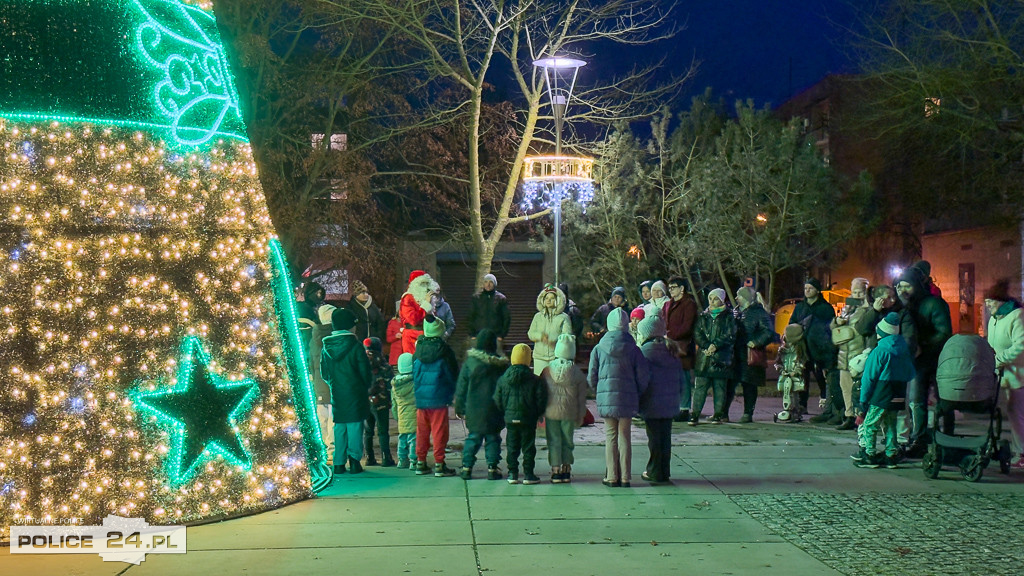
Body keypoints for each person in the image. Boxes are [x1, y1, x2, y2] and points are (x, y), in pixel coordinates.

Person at [588, 307, 649, 487]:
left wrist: (599, 390)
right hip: (628, 398)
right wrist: (636, 392)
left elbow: (592, 375)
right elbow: (643, 376)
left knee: (610, 437)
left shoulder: (599, 348)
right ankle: (625, 477)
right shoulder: (634, 349)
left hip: (607, 398)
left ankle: (612, 476)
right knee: (625, 436)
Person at [896, 266, 952, 457]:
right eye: (900, 286)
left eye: (907, 286)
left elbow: (944, 332)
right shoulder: (905, 306)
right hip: (917, 362)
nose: (903, 290)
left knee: (943, 401)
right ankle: (919, 438)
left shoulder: (934, 304)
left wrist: (924, 345)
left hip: (936, 360)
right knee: (916, 400)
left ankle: (946, 437)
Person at [852, 312, 915, 469]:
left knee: (870, 424)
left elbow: (869, 378)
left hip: (881, 394)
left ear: (882, 332)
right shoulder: (904, 350)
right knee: (890, 425)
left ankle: (870, 455)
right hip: (898, 393)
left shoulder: (879, 351)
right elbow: (911, 373)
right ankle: (891, 455)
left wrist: (863, 401)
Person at [320, 308, 372, 475]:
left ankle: (338, 463)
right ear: (350, 326)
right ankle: (355, 461)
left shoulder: (326, 347)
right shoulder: (356, 346)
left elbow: (324, 373)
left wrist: (335, 384)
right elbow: (365, 372)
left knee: (339, 427)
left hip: (337, 392)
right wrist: (366, 386)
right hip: (356, 393)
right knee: (355, 426)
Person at [454, 329, 509, 480]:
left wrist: (459, 407)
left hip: (474, 409)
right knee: (493, 438)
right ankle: (492, 468)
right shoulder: (502, 365)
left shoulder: (469, 363)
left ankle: (467, 467)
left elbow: (461, 388)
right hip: (495, 409)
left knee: (473, 438)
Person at [493, 344, 548, 485]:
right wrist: (537, 413)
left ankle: (512, 473)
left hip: (510, 419)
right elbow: (541, 400)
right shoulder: (536, 380)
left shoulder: (503, 379)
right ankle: (528, 474)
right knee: (528, 447)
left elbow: (498, 400)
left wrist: (505, 412)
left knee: (512, 446)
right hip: (528, 419)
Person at [983, 279, 1024, 468]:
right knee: (1007, 412)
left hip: (1018, 374)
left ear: (1000, 302)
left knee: (1017, 414)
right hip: (1001, 374)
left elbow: (1021, 346)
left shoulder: (1017, 316)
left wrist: (1000, 359)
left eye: (990, 302)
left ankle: (1021, 452)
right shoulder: (994, 319)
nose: (987, 305)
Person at [412, 315, 459, 477]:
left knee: (422, 431)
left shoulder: (418, 350)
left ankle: (421, 462)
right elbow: (452, 374)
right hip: (439, 397)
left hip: (421, 398)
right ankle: (439, 464)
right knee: (439, 431)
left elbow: (414, 373)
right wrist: (453, 393)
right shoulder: (445, 351)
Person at [637, 316, 681, 483]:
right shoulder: (671, 349)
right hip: (670, 402)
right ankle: (664, 471)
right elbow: (680, 378)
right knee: (665, 438)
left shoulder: (644, 351)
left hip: (652, 402)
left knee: (654, 439)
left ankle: (654, 471)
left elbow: (642, 378)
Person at [790, 278, 841, 424]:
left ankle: (826, 405)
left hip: (820, 349)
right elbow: (792, 322)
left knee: (822, 378)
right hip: (803, 348)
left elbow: (830, 328)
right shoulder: (800, 307)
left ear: (817, 290)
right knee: (802, 376)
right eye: (805, 288)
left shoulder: (825, 308)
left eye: (810, 288)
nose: (807, 291)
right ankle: (802, 404)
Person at [541, 334, 588, 484]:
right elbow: (581, 398)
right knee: (568, 440)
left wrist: (540, 412)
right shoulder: (578, 374)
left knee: (553, 440)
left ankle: (555, 470)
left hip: (551, 412)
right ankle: (566, 469)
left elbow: (541, 393)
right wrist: (580, 415)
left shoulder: (547, 370)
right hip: (569, 412)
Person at [690, 288, 737, 425]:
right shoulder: (703, 316)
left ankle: (718, 414)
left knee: (720, 388)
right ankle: (695, 414)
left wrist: (715, 345)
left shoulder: (729, 316)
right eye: (710, 298)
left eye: (715, 298)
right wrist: (706, 345)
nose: (712, 301)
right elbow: (697, 333)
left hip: (720, 357)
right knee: (700, 388)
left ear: (722, 300)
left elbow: (730, 334)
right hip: (704, 357)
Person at [727, 286, 774, 423]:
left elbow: (768, 332)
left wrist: (756, 341)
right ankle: (723, 412)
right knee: (729, 385)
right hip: (735, 354)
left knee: (749, 386)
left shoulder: (759, 313)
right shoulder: (735, 312)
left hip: (749, 355)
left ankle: (748, 413)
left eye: (739, 296)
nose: (736, 298)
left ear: (746, 298)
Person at [831, 278, 873, 430]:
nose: (857, 295)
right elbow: (833, 327)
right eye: (854, 292)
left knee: (859, 388)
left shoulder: (868, 310)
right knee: (845, 386)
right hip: (844, 353)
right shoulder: (847, 308)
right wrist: (837, 321)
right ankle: (849, 416)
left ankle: (860, 416)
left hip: (858, 353)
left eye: (860, 292)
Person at [664, 276, 698, 422]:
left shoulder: (688, 304)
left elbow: (688, 325)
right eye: (669, 288)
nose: (670, 290)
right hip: (669, 346)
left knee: (683, 378)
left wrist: (670, 334)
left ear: (682, 288)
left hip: (682, 346)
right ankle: (674, 407)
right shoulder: (668, 304)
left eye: (673, 287)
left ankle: (684, 408)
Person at [362, 337, 395, 467]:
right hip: (381, 402)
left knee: (368, 431)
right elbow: (389, 384)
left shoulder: (361, 362)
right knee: (383, 431)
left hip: (365, 402)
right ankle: (386, 457)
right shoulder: (383, 364)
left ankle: (369, 457)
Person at [527, 284, 572, 374]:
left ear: (557, 300)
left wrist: (554, 340)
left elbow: (567, 336)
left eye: (552, 298)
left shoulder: (564, 318)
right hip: (539, 357)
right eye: (546, 298)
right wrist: (540, 336)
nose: (548, 300)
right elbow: (531, 333)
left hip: (556, 358)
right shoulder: (537, 316)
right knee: (540, 383)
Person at [311, 304, 336, 463]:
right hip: (333, 384)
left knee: (322, 420)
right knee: (334, 421)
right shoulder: (335, 337)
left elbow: (309, 362)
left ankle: (320, 451)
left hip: (319, 385)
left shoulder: (313, 338)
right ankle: (332, 452)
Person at [399, 270, 439, 354]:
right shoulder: (408, 298)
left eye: (426, 284)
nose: (425, 288)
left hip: (426, 336)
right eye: (422, 284)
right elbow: (413, 320)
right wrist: (425, 305)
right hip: (412, 337)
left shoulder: (427, 299)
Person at [467, 273, 510, 350]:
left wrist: (501, 335)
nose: (488, 284)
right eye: (486, 282)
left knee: (495, 359)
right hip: (478, 335)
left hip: (496, 336)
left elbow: (506, 318)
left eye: (491, 282)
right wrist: (472, 334)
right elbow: (470, 316)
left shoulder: (501, 299)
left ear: (494, 284)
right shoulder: (476, 298)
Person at [391, 353, 417, 470]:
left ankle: (402, 460)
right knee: (413, 439)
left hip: (401, 415)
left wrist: (397, 416)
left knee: (402, 438)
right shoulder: (415, 382)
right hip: (414, 414)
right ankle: (413, 461)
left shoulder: (395, 384)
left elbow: (394, 403)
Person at [385, 303, 404, 368]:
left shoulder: (408, 322)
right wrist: (395, 336)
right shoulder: (392, 322)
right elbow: (388, 338)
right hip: (396, 355)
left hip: (406, 353)